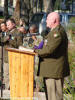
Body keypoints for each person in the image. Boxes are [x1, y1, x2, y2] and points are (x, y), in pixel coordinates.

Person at [34, 12, 70, 100]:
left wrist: (36, 51)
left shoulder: (57, 33)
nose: (46, 21)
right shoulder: (54, 31)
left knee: (54, 96)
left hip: (54, 71)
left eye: (48, 19)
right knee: (50, 95)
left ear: (54, 20)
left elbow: (49, 50)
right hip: (51, 70)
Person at [0, 18, 23, 89]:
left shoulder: (18, 32)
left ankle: (14, 89)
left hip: (14, 57)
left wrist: (10, 40)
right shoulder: (6, 32)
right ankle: (7, 90)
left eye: (9, 24)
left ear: (13, 24)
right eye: (7, 25)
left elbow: (19, 45)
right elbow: (2, 41)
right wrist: (5, 38)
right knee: (6, 75)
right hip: (6, 57)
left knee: (13, 75)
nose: (7, 26)